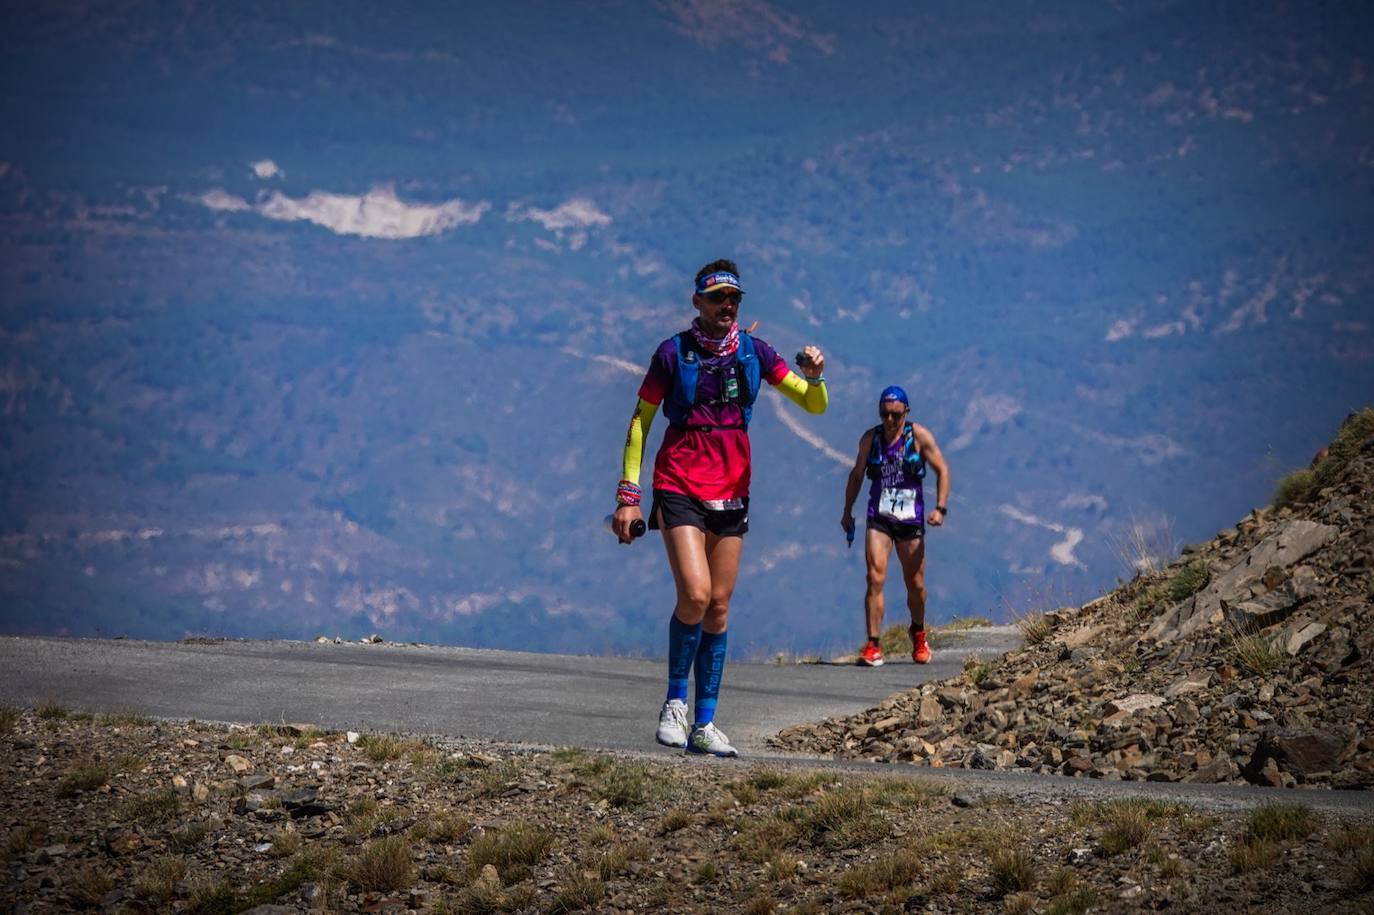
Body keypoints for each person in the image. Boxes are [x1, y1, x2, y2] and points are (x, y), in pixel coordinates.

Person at [611, 259, 828, 757]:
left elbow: (812, 406)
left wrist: (814, 378)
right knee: (696, 593)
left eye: (734, 298)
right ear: (697, 303)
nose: (726, 306)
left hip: (732, 490)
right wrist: (629, 494)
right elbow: (641, 421)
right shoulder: (673, 354)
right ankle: (674, 703)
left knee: (720, 606)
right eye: (717, 298)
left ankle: (705, 724)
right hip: (679, 483)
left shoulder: (754, 353)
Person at [840, 386, 950, 667]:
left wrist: (940, 508)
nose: (889, 421)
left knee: (915, 584)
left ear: (906, 413)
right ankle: (874, 644)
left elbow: (942, 469)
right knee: (874, 577)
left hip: (910, 520)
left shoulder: (918, 437)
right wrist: (847, 512)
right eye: (884, 414)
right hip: (879, 517)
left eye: (896, 415)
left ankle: (918, 631)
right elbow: (856, 475)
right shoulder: (870, 439)